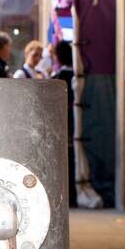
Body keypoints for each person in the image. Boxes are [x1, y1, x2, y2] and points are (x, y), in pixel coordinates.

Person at [51, 40, 78, 208]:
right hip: (76, 123)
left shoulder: (58, 78)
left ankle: (66, 195)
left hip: (62, 125)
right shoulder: (78, 76)